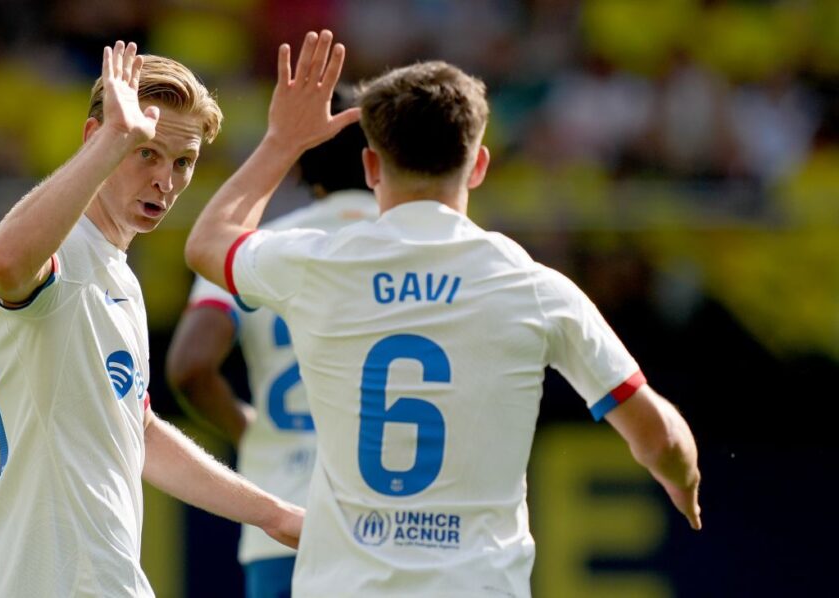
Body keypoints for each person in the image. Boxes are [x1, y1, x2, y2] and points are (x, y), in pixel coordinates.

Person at [184, 30, 702, 597]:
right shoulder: (532, 287)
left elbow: (208, 242)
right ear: (478, 164)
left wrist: (282, 142)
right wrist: (682, 479)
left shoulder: (319, 263)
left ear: (372, 167)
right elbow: (657, 437)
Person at [0, 41, 303, 598]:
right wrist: (118, 138)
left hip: (98, 579)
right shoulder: (62, 250)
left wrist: (275, 514)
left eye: (183, 162)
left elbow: (137, 431)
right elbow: (5, 264)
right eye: (147, 153)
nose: (167, 180)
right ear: (98, 138)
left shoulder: (120, 277)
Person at [166, 83, 376, 598]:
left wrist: (251, 433)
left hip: (285, 518)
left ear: (301, 166)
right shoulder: (429, 251)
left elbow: (191, 366)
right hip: (397, 522)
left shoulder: (254, 250)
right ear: (382, 162)